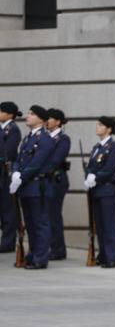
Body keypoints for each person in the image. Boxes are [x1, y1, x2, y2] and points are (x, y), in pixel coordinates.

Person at [10, 106, 55, 270]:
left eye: (32, 114)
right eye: (28, 113)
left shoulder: (45, 139)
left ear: (42, 120)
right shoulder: (27, 138)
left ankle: (40, 258)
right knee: (29, 223)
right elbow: (18, 158)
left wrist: (21, 176)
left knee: (40, 223)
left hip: (38, 186)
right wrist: (15, 172)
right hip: (27, 187)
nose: (28, 116)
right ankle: (32, 254)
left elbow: (37, 163)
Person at [85, 116, 115, 268]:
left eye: (101, 125)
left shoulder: (113, 146)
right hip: (96, 190)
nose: (97, 127)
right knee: (99, 225)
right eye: (97, 124)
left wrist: (96, 177)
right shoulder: (96, 148)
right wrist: (88, 176)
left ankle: (111, 258)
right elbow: (91, 166)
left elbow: (109, 168)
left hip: (107, 190)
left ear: (109, 129)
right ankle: (103, 255)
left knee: (108, 225)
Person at [44, 109, 71, 261]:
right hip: (46, 180)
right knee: (46, 216)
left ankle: (58, 249)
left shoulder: (63, 139)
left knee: (53, 215)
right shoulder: (45, 137)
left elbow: (56, 160)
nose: (47, 121)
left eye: (50, 118)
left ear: (58, 121)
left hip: (56, 180)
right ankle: (49, 246)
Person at [0, 102, 22, 253]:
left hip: (5, 173)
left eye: (1, 111)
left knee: (8, 209)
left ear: (9, 114)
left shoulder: (12, 129)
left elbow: (9, 152)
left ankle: (8, 242)